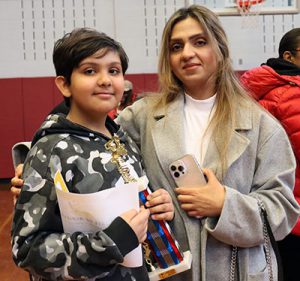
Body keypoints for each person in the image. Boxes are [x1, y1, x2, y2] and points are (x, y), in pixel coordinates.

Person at [10, 5, 300, 281]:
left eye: (200, 42)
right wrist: (33, 177)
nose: (187, 53)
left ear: (220, 50)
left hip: (238, 270)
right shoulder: (140, 117)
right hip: (165, 272)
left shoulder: (262, 126)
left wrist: (224, 204)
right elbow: (84, 136)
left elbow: (283, 211)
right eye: (176, 46)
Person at [11, 27, 175, 281]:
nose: (105, 80)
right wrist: (109, 243)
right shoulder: (52, 150)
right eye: (90, 71)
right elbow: (26, 250)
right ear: (64, 84)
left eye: (114, 71)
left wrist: (158, 206)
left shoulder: (123, 138)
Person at [240, 27, 300, 281]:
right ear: (289, 57)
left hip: (274, 208)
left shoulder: (261, 90)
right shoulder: (289, 92)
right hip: (292, 211)